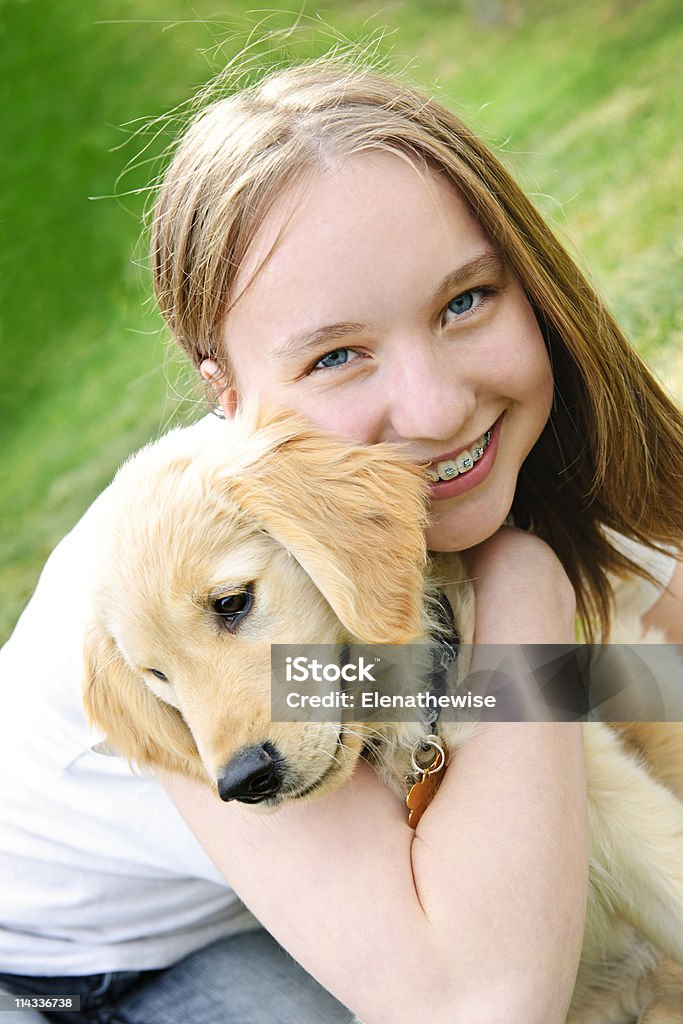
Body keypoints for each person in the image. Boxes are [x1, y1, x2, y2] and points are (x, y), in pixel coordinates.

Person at [1, 57, 681, 1024]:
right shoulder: (155, 630)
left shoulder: (355, 492)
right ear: (229, 399)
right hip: (87, 975)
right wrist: (521, 580)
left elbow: (640, 672)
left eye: (463, 301)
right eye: (335, 355)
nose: (438, 409)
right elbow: (478, 1003)